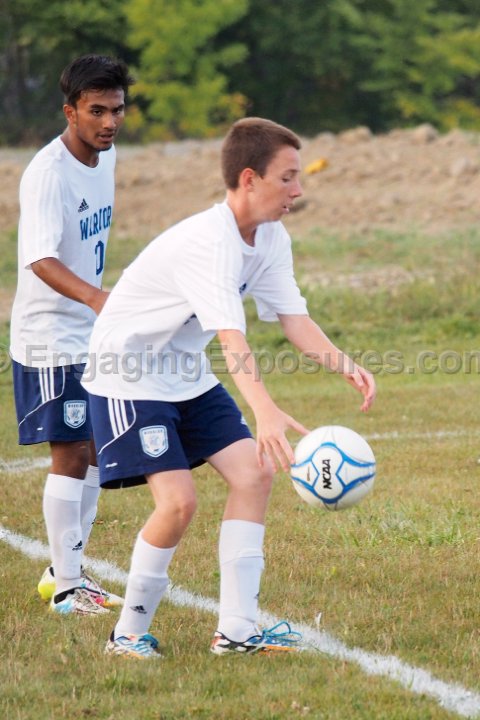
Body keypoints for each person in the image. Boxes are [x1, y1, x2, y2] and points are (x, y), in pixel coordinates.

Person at [82, 117, 376, 657]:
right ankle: (126, 635)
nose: (298, 189)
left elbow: (293, 318)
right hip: (126, 375)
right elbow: (230, 336)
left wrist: (345, 364)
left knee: (255, 474)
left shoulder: (270, 237)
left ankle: (237, 631)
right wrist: (265, 409)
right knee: (178, 504)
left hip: (184, 374)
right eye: (287, 177)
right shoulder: (208, 242)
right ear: (248, 178)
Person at [9, 54, 135, 615]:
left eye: (117, 110)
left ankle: (65, 570)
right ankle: (66, 588)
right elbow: (40, 258)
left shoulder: (107, 158)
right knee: (71, 452)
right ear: (70, 112)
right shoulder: (48, 173)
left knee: (95, 450)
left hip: (89, 332)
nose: (109, 122)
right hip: (50, 337)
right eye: (97, 111)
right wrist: (97, 298)